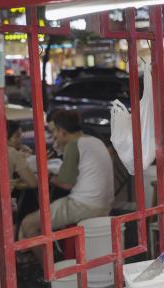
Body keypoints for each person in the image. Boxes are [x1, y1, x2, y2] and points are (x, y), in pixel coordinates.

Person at [19, 110, 114, 262]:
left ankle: (50, 272)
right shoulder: (93, 140)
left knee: (28, 224)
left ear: (62, 131)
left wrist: (48, 177)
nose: (54, 135)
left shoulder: (74, 145)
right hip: (104, 205)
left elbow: (66, 183)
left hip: (84, 205)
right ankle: (58, 258)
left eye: (55, 131)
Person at [6, 120, 37, 189]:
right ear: (6, 137)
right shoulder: (13, 153)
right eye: (17, 136)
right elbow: (33, 183)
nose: (21, 138)